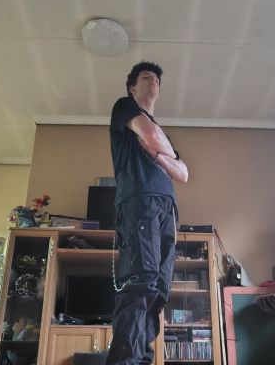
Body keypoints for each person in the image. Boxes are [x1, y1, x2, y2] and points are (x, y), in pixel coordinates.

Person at [107, 61, 188, 364]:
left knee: (159, 291)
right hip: (139, 202)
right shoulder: (124, 108)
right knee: (141, 282)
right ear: (133, 87)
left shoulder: (160, 133)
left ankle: (141, 360)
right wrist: (162, 150)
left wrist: (158, 154)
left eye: (156, 78)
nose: (153, 80)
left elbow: (183, 173)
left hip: (167, 210)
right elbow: (152, 137)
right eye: (145, 77)